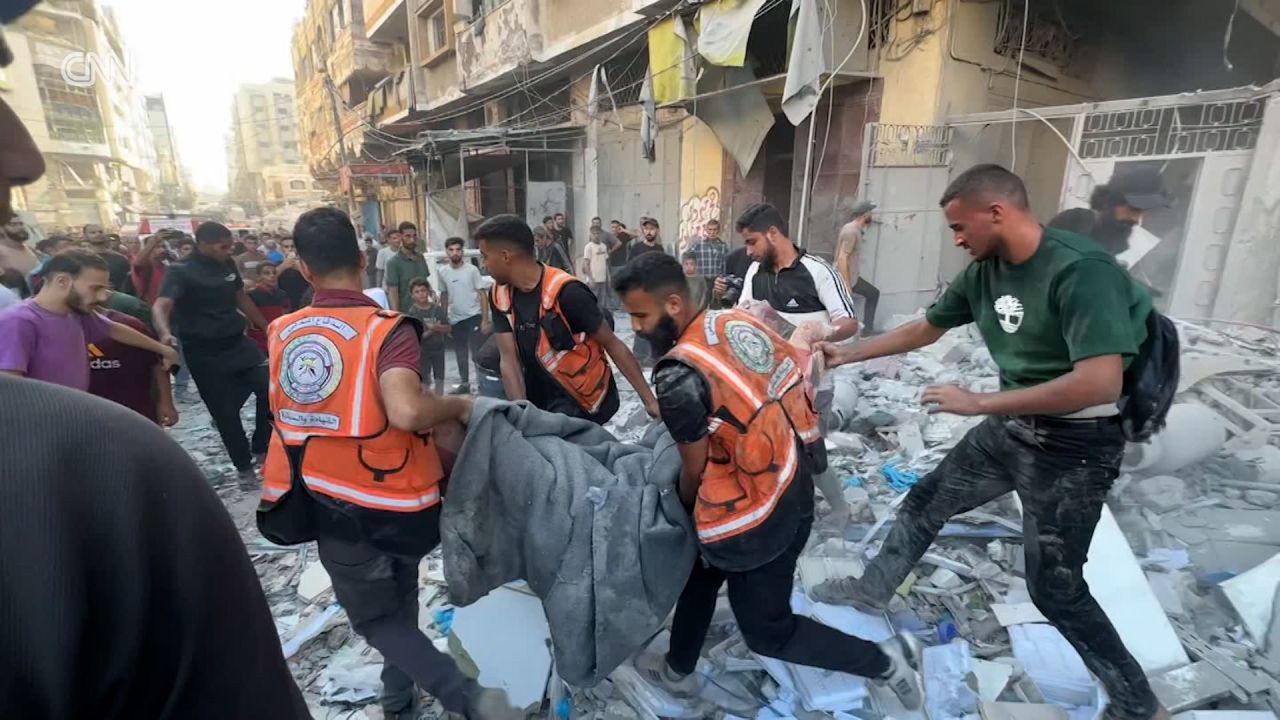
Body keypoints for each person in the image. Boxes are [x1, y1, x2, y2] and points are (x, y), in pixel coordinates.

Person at [817, 164, 1167, 720]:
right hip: (1012, 428)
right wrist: (848, 353)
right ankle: (873, 589)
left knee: (1055, 588)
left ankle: (1137, 704)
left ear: (997, 212)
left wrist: (979, 402)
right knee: (927, 500)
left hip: (1076, 446)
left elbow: (1099, 382)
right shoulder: (985, 272)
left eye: (960, 227)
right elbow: (928, 327)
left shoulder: (1081, 271)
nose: (956, 240)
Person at [612, 252, 924, 707]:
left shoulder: (678, 375)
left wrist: (680, 511)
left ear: (674, 305)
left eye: (640, 315)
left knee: (768, 631)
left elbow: (693, 468)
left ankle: (886, 660)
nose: (635, 327)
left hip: (755, 518)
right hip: (791, 478)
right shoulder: (733, 322)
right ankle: (679, 668)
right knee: (702, 572)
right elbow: (791, 383)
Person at [257, 207, 522, 720]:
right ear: (363, 261)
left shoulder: (282, 331)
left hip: (323, 501)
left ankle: (467, 699)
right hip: (396, 501)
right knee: (398, 602)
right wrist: (459, 404)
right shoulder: (387, 331)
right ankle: (399, 702)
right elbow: (407, 411)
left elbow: (375, 410)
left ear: (304, 270)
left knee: (378, 620)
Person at [477, 214, 658, 424]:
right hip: (541, 403)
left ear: (505, 256)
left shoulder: (567, 292)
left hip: (582, 403)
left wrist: (650, 402)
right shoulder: (499, 295)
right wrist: (523, 417)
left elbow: (612, 344)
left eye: (485, 256)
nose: (484, 264)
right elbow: (509, 360)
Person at [154, 221, 271, 485]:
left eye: (230, 246)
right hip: (204, 352)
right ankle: (244, 468)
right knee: (226, 415)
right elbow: (161, 306)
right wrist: (164, 332)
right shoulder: (180, 271)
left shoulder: (227, 264)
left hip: (238, 344)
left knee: (271, 390)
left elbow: (241, 297)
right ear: (203, 244)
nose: (228, 251)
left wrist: (267, 327)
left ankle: (261, 446)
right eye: (223, 247)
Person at [0, 249, 177, 390]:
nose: (102, 297)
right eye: (95, 288)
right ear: (62, 281)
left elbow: (114, 329)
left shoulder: (75, 313)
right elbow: (11, 384)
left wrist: (163, 349)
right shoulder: (18, 321)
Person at [735, 203, 859, 342]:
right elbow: (743, 314)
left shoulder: (819, 271)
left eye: (752, 242)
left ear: (773, 233)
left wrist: (821, 333)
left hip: (811, 355)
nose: (748, 252)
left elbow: (849, 323)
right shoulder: (754, 270)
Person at [87, 293, 179, 427]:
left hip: (134, 408)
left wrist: (166, 402)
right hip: (87, 413)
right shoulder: (62, 326)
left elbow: (156, 364)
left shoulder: (128, 321)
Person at [438, 236, 491, 394]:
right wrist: (444, 318)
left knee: (477, 352)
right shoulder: (443, 272)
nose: (455, 253)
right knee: (460, 353)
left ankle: (482, 384)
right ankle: (464, 384)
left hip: (474, 315)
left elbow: (482, 294)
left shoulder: (472, 270)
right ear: (447, 252)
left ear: (462, 251)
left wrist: (485, 319)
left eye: (458, 249)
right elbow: (444, 295)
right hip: (455, 318)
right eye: (451, 250)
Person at [834, 201, 881, 334]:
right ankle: (866, 330)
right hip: (845, 276)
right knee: (873, 294)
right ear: (864, 215)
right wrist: (847, 285)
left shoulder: (853, 229)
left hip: (851, 275)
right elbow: (842, 258)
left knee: (873, 293)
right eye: (870, 213)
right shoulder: (851, 231)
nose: (871, 215)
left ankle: (867, 329)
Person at [405, 277, 450, 395]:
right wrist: (433, 329)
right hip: (423, 351)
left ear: (428, 292)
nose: (421, 294)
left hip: (439, 349)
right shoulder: (413, 312)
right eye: (417, 292)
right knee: (425, 380)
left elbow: (448, 328)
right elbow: (417, 336)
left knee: (440, 378)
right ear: (412, 295)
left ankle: (439, 401)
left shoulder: (437, 309)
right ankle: (426, 402)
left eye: (423, 290)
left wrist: (434, 328)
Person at [246, 263, 292, 354]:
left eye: (274, 273)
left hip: (280, 337)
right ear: (258, 277)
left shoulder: (282, 294)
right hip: (260, 341)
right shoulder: (251, 296)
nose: (272, 276)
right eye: (266, 273)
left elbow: (286, 315)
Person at [384, 227, 430, 312]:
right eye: (408, 236)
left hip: (424, 312)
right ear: (400, 237)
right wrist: (397, 315)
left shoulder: (421, 258)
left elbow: (426, 282)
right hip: (406, 312)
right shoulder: (393, 263)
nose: (412, 240)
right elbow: (393, 292)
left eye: (414, 236)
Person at [83, 223, 133, 294]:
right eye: (93, 233)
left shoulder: (120, 259)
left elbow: (128, 283)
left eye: (100, 232)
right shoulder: (81, 258)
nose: (98, 234)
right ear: (85, 236)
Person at [130, 232, 172, 305]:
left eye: (163, 246)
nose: (162, 250)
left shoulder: (165, 267)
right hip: (149, 308)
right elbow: (138, 263)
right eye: (157, 247)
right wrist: (152, 242)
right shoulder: (145, 267)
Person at [581, 227, 611, 313]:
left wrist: (608, 277)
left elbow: (606, 263)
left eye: (598, 233)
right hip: (593, 279)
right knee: (593, 301)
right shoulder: (588, 247)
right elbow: (586, 264)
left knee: (602, 303)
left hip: (603, 279)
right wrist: (590, 279)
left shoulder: (603, 246)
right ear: (590, 234)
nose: (596, 235)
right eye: (594, 234)